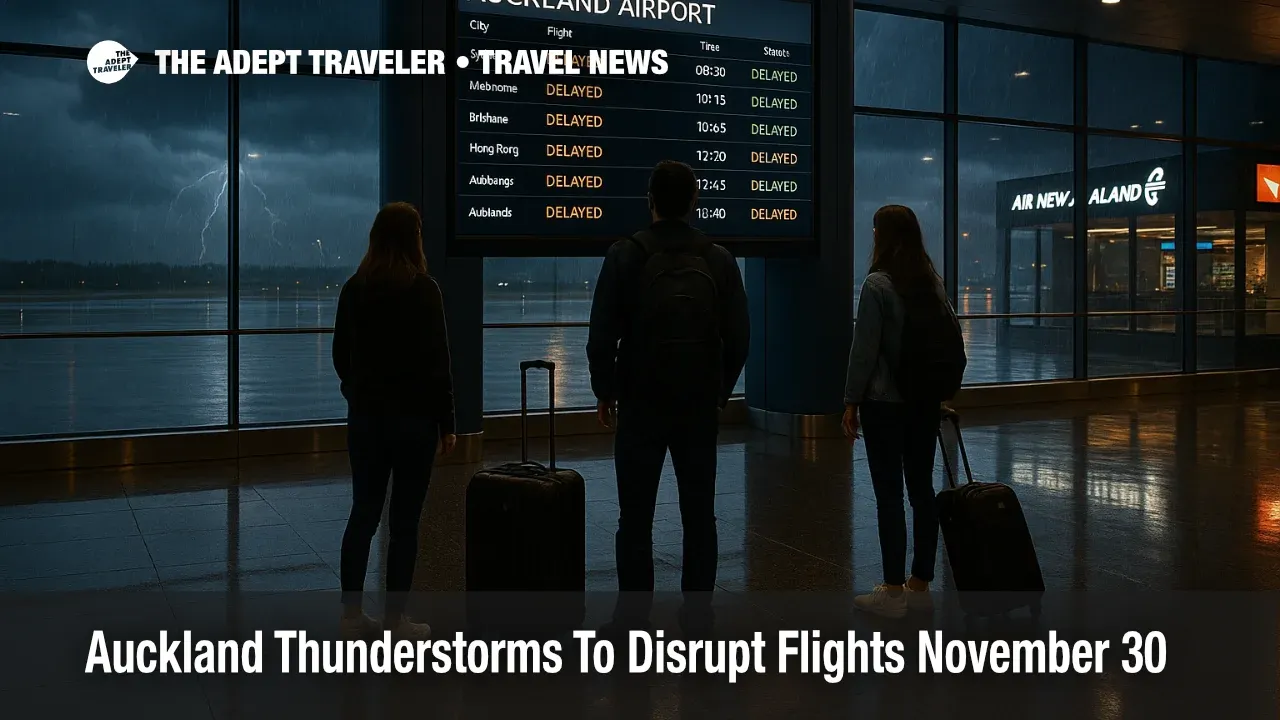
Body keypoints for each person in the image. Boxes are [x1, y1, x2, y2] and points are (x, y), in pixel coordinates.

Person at [586, 160, 750, 633]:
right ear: (695, 201)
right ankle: (699, 615)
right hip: (697, 405)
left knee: (634, 516)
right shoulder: (718, 258)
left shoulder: (625, 254)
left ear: (651, 200)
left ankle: (633, 617)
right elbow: (739, 337)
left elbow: (602, 335)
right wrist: (718, 391)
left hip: (642, 403)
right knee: (699, 514)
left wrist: (605, 391)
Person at [332, 202, 457, 640]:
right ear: (414, 238)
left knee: (363, 513)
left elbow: (339, 357)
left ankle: (350, 616)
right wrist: (447, 423)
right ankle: (395, 620)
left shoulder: (354, 288)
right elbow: (438, 364)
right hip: (414, 424)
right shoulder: (425, 291)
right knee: (405, 523)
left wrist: (357, 394)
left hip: (366, 422)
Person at [843, 204, 957, 619]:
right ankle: (920, 584)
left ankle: (891, 594)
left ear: (881, 236)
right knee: (922, 491)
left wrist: (850, 401)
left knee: (889, 495)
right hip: (924, 403)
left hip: (885, 405)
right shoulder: (932, 283)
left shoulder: (877, 285)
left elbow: (864, 351)